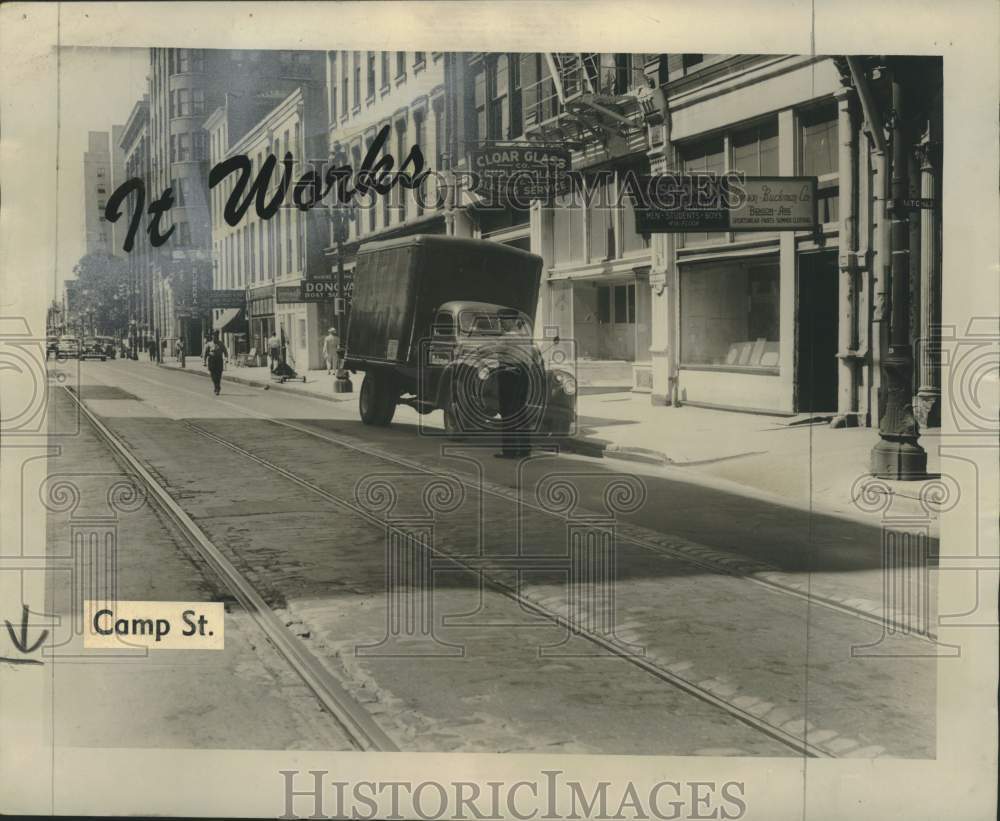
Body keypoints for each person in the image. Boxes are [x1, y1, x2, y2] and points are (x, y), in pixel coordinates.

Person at [203, 331, 228, 395]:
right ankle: (216, 387)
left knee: (219, 375)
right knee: (213, 375)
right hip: (211, 360)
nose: (214, 337)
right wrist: (204, 361)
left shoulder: (221, 344)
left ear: (217, 337)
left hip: (219, 361)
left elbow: (225, 351)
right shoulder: (209, 344)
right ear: (212, 337)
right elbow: (205, 353)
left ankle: (217, 388)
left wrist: (226, 359)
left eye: (216, 336)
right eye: (213, 336)